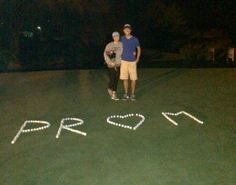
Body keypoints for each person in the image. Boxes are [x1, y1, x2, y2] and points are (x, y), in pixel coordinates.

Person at [120, 24, 141, 101]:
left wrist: (137, 58)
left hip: (132, 62)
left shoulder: (135, 39)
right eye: (125, 29)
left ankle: (132, 94)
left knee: (133, 79)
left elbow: (139, 49)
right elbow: (118, 47)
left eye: (128, 29)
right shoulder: (121, 38)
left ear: (130, 30)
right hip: (124, 61)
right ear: (123, 30)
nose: (127, 30)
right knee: (125, 79)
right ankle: (125, 94)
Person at [104, 32, 123, 101]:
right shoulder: (109, 45)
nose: (116, 37)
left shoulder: (121, 44)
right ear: (113, 37)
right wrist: (110, 62)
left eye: (117, 36)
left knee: (116, 79)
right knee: (112, 79)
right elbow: (105, 54)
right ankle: (110, 88)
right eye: (115, 36)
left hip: (118, 64)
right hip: (111, 65)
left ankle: (114, 93)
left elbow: (124, 53)